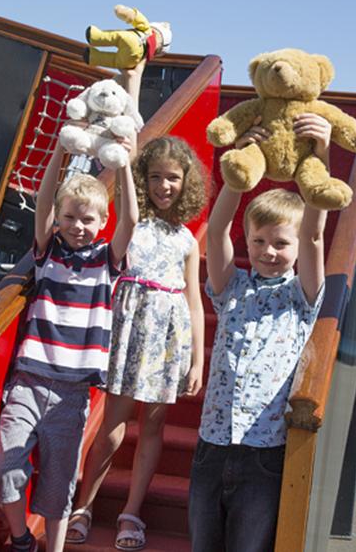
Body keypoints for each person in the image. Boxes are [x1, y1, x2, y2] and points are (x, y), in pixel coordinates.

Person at [188, 114, 332, 552]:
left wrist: (320, 156)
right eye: (258, 242)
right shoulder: (232, 289)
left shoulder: (302, 295)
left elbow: (313, 236)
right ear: (247, 241)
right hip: (212, 447)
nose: (268, 251)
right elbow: (214, 230)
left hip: (265, 452)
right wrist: (240, 167)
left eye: (279, 243)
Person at [0, 130, 139, 552]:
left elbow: (130, 221)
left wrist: (124, 164)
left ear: (102, 222)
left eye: (88, 219)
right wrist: (60, 148)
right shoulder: (48, 252)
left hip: (73, 391)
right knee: (8, 467)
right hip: (30, 379)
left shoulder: (107, 260)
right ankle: (22, 539)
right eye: (70, 217)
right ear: (59, 219)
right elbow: (43, 202)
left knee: (58, 484)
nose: (78, 226)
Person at [66, 135, 211, 551]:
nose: (164, 186)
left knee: (153, 424)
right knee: (113, 425)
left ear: (187, 183)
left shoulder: (186, 239)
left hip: (169, 340)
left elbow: (194, 301)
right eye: (155, 177)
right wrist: (125, 159)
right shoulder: (132, 224)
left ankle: (132, 511)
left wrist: (197, 360)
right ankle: (85, 505)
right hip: (129, 332)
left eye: (173, 178)